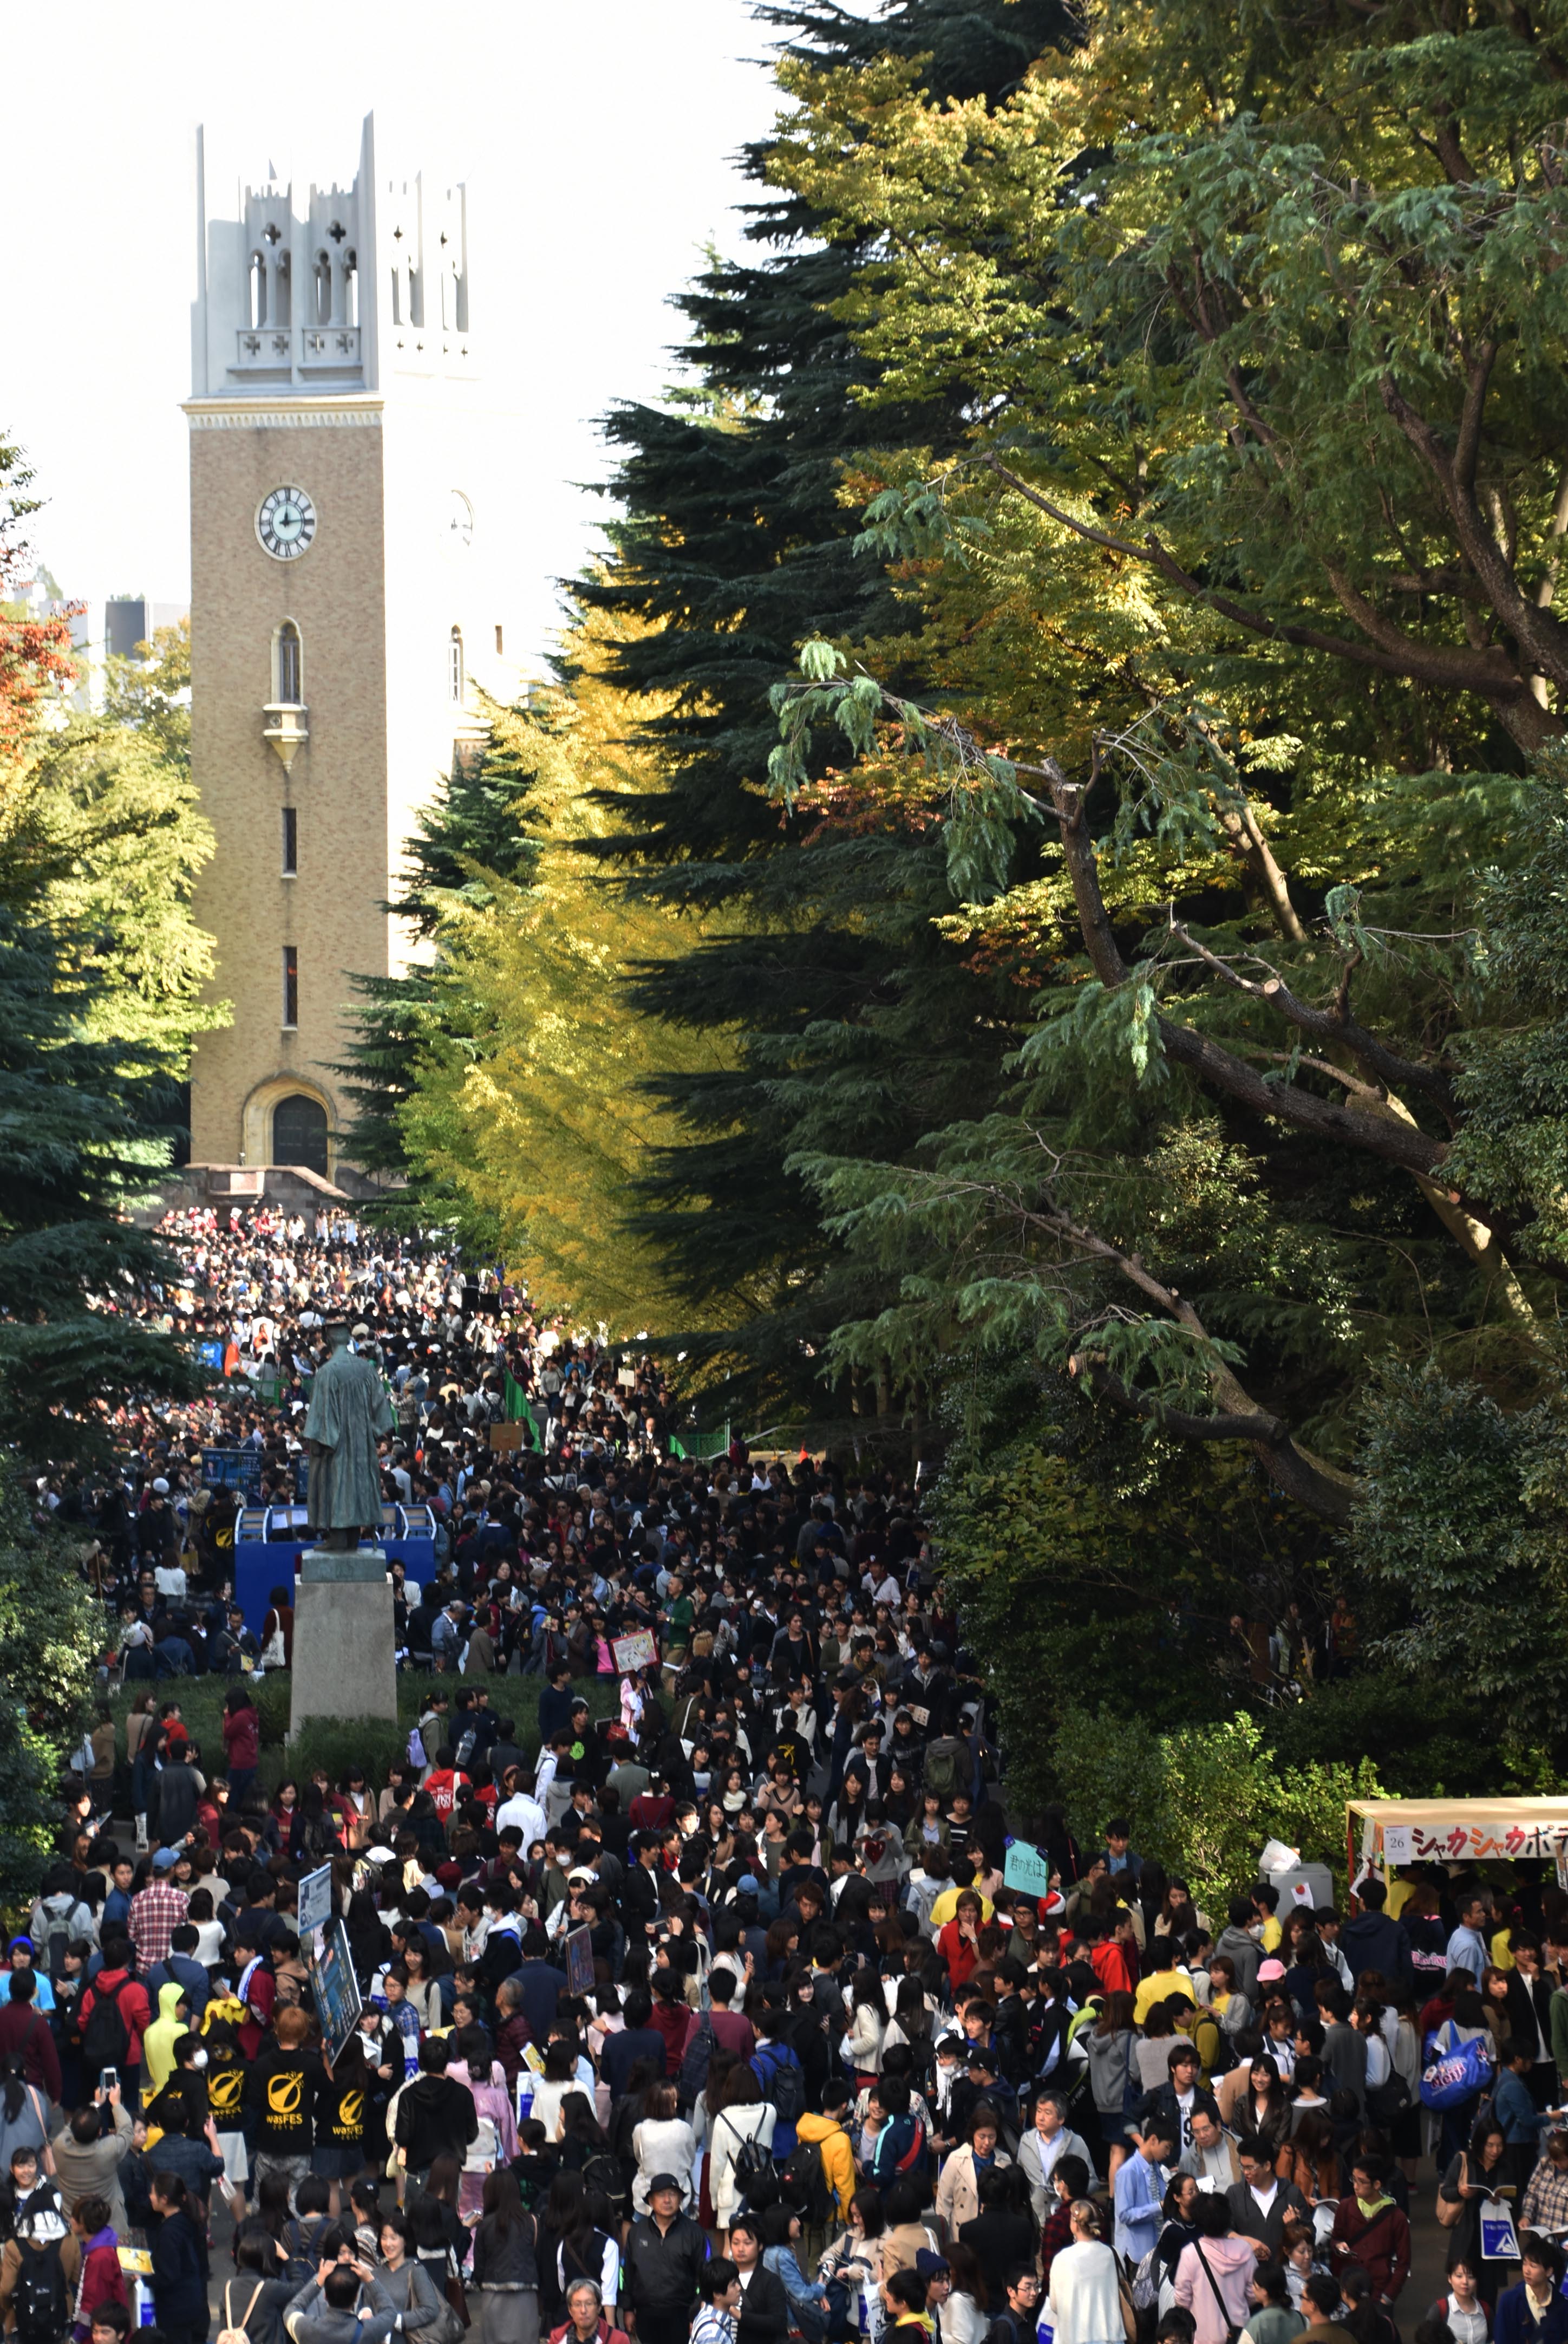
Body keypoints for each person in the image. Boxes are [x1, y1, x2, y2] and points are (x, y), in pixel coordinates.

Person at [620, 2172, 710, 2344]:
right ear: (651, 2201)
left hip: (682, 2315)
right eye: (661, 2195)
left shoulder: (695, 2233)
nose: (667, 2200)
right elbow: (627, 2273)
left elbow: (705, 2277)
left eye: (673, 2194)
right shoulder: (637, 2232)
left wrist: (697, 2313)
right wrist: (628, 2309)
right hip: (645, 2313)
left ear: (680, 2199)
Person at [1173, 2191, 1258, 2344]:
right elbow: (1254, 2294)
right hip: (1241, 2335)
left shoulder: (1191, 2254)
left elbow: (1182, 2300)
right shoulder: (1245, 2250)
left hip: (1203, 2337)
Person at [1329, 2154, 1410, 2312]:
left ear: (1377, 2184)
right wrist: (1338, 2246)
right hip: (1349, 2290)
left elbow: (1404, 2263)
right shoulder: (1345, 2207)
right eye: (1354, 2179)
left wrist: (1388, 2298)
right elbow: (1335, 2238)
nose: (1356, 2186)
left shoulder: (1396, 2217)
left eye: (1362, 2182)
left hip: (1379, 2292)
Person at [471, 2169, 541, 2344]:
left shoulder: (485, 2225)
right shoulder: (532, 2222)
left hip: (493, 2297)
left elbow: (479, 2268)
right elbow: (539, 2260)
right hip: (526, 2296)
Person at [1049, 2203, 1127, 2344]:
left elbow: (1055, 2305)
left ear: (1076, 2225)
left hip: (1073, 2337)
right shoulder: (1113, 2254)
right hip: (1110, 2337)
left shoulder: (1062, 2259)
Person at [147, 2171, 210, 2344]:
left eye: (153, 2193)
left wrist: (144, 2278)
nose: (150, 2197)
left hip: (176, 2308)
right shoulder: (187, 2220)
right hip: (194, 2300)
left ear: (164, 2199)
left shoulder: (169, 2233)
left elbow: (168, 2275)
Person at [1494, 2235, 1568, 2344]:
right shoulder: (1510, 2301)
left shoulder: (1561, 2304)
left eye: (1533, 2266)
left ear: (1549, 2271)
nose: (1527, 2271)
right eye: (1525, 2263)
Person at [731, 2212, 790, 2344]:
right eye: (736, 2243)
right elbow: (695, 2309)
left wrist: (740, 2316)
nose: (741, 2249)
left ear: (760, 2246)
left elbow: (779, 2321)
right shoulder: (723, 2276)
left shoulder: (771, 2281)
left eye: (747, 2243)